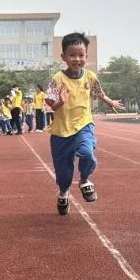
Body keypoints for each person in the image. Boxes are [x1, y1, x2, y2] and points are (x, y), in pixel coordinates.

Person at [46, 32, 124, 215]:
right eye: (72, 55)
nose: (77, 59)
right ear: (63, 57)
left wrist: (110, 102)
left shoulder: (89, 76)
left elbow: (99, 92)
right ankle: (64, 192)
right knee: (63, 174)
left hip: (83, 124)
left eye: (81, 55)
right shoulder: (57, 79)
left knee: (87, 152)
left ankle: (84, 180)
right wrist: (61, 101)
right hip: (61, 132)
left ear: (86, 57)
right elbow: (51, 105)